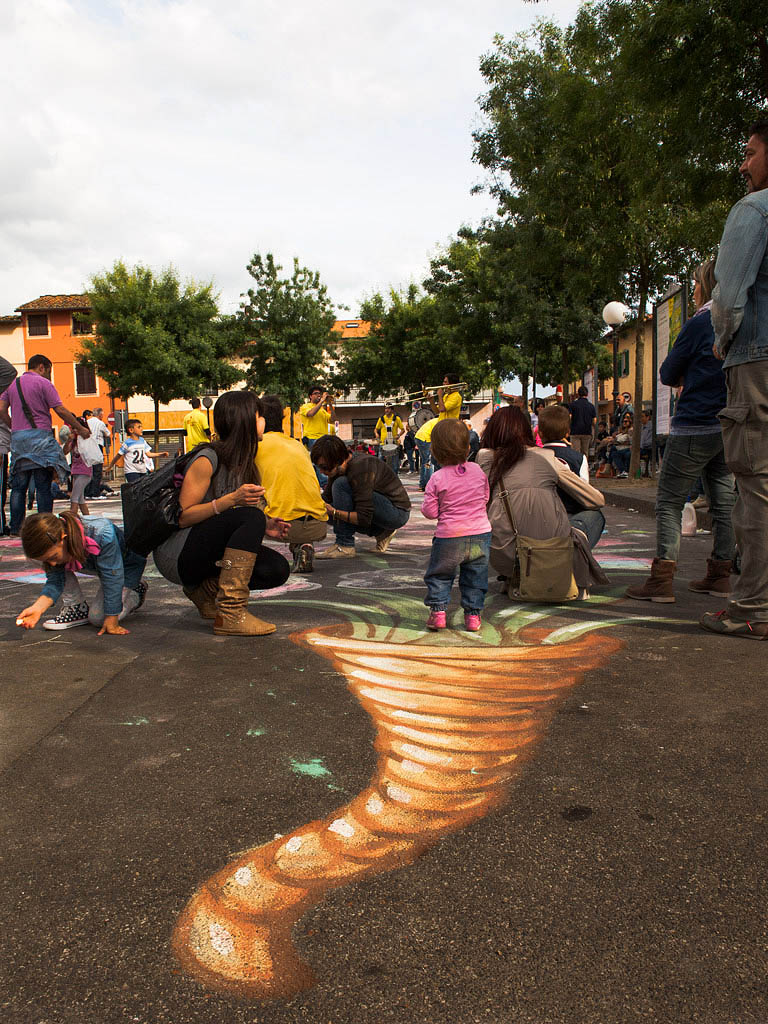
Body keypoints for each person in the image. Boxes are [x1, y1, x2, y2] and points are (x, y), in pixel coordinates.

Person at [626, 259, 736, 604]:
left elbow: (668, 372)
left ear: (706, 285)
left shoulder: (701, 322)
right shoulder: (740, 321)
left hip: (694, 423)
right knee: (724, 503)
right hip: (728, 423)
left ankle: (661, 580)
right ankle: (720, 575)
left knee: (670, 502)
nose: (695, 289)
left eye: (697, 283)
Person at [698, 120, 768, 637]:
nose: (743, 165)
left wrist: (723, 341)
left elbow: (727, 296)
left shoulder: (754, 209)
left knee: (756, 487)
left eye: (749, 153)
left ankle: (755, 608)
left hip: (757, 362)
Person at [153, 390, 291, 637]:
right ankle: (231, 613)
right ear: (244, 421)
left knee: (276, 568)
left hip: (202, 551)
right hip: (176, 554)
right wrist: (232, 500)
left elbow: (234, 523)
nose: (264, 421)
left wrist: (267, 525)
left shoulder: (245, 463)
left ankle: (205, 592)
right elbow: (183, 517)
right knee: (250, 516)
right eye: (259, 416)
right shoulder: (207, 459)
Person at [477, 406, 608, 597]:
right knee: (594, 515)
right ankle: (568, 565)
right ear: (527, 430)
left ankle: (515, 576)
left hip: (504, 556)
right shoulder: (545, 457)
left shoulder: (484, 459)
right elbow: (596, 499)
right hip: (548, 554)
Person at [15, 510, 148, 634]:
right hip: (97, 565)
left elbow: (112, 577)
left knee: (99, 619)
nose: (53, 564)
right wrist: (37, 608)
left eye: (53, 557)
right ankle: (76, 607)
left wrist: (112, 618)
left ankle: (135, 592)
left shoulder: (102, 533)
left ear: (63, 537)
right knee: (45, 562)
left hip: (124, 568)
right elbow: (55, 579)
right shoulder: (56, 539)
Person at [0, 354, 90, 534]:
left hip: (19, 441)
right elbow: (60, 409)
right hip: (39, 439)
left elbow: (1, 409)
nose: (49, 375)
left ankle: (16, 527)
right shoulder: (44, 384)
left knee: (19, 487)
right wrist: (80, 428)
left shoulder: (12, 384)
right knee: (42, 485)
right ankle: (44, 526)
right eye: (49, 371)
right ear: (42, 367)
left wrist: (14, 427)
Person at [421, 418, 491, 632]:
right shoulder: (478, 471)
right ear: (468, 448)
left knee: (440, 574)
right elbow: (485, 498)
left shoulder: (437, 478)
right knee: (475, 576)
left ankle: (438, 613)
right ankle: (473, 617)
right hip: (480, 533)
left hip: (449, 536)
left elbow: (430, 512)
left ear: (434, 451)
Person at [255, 394, 328, 574]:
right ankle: (302, 545)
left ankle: (247, 553)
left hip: (282, 526)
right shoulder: (298, 445)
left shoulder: (256, 446)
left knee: (247, 492)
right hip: (318, 525)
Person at [311, 434, 411, 559]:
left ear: (337, 460)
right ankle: (382, 532)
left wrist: (335, 512)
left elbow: (364, 517)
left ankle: (344, 545)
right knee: (323, 511)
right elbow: (326, 499)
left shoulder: (360, 467)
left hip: (397, 512)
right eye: (319, 467)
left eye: (324, 467)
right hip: (381, 509)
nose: (321, 472)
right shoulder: (339, 467)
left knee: (340, 485)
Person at [538, 404, 605, 550]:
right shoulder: (579, 458)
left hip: (541, 517)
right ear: (568, 432)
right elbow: (584, 491)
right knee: (596, 515)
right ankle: (577, 548)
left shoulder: (535, 457)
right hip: (570, 515)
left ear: (540, 433)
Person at [63, 417, 93, 517]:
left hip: (85, 472)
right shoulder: (73, 441)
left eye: (76, 428)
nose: (74, 430)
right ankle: (88, 519)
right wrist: (69, 440)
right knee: (80, 499)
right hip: (75, 471)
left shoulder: (87, 439)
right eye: (72, 428)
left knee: (74, 497)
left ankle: (72, 520)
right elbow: (64, 452)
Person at [84, 408, 111, 498]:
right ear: (100, 415)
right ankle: (95, 493)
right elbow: (107, 433)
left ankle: (87, 492)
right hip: (97, 446)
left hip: (87, 447)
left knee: (88, 470)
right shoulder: (100, 423)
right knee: (97, 471)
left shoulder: (87, 422)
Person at [375, 402, 405, 474]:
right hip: (383, 443)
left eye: (388, 408)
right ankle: (381, 476)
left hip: (393, 443)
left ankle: (395, 477)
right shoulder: (381, 419)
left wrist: (398, 435)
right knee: (380, 461)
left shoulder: (396, 419)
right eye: (385, 408)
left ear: (392, 409)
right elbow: (376, 429)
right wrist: (376, 434)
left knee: (395, 464)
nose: (386, 410)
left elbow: (403, 430)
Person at [568, 385, 597, 458]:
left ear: (578, 394)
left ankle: (576, 465)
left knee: (575, 452)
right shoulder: (591, 406)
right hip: (587, 432)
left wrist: (568, 428)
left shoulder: (573, 405)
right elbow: (594, 421)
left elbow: (569, 417)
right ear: (587, 394)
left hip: (575, 432)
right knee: (585, 452)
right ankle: (585, 464)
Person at [414, 416, 439, 490]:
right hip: (425, 439)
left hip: (419, 437)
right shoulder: (440, 421)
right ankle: (428, 485)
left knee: (425, 462)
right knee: (429, 462)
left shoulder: (434, 421)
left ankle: (422, 484)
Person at [610, 413, 633, 478]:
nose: (624, 423)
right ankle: (622, 470)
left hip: (627, 447)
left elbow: (630, 441)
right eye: (623, 421)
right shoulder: (621, 431)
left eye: (626, 421)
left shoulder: (631, 430)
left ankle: (622, 470)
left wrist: (619, 442)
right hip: (620, 447)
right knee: (613, 450)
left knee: (614, 451)